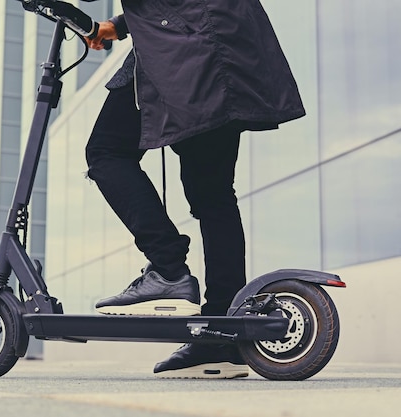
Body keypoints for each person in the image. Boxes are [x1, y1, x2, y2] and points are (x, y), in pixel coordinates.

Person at [84, 0, 305, 378]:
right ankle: (222, 336)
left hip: (187, 46)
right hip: (224, 44)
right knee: (214, 194)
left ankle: (168, 269)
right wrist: (120, 25)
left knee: (107, 152)